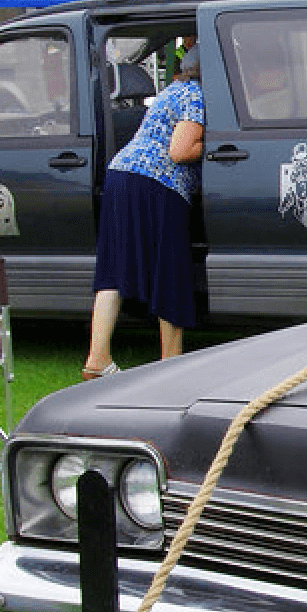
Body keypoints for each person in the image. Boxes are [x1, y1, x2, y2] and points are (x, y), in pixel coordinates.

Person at [83, 44, 206, 379]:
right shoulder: (196, 96)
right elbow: (180, 151)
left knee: (114, 265)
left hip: (121, 173)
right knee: (169, 267)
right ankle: (170, 363)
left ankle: (98, 357)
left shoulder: (172, 91)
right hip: (159, 181)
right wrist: (215, 144)